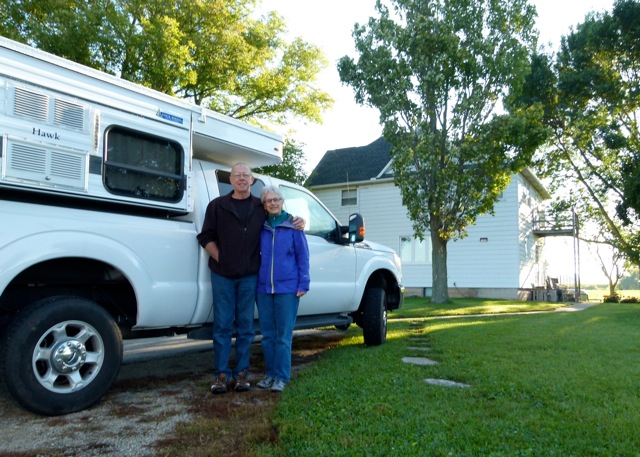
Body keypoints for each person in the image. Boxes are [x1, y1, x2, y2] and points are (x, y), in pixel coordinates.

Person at [196, 163, 304, 394]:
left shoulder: (260, 206)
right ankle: (221, 375)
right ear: (231, 180)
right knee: (223, 326)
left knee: (246, 328)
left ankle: (242, 373)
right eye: (237, 175)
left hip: (250, 277)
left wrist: (299, 221)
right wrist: (221, 258)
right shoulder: (217, 206)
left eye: (246, 175)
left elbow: (281, 218)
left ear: (252, 180)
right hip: (222, 275)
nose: (242, 179)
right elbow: (205, 236)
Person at [255, 185, 310, 393]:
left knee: (283, 336)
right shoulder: (260, 226)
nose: (273, 203)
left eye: (276, 199)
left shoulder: (293, 226)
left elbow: (302, 256)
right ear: (264, 204)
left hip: (287, 288)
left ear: (282, 201)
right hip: (263, 289)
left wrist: (303, 283)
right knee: (268, 335)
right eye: (269, 200)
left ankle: (282, 377)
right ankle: (270, 375)